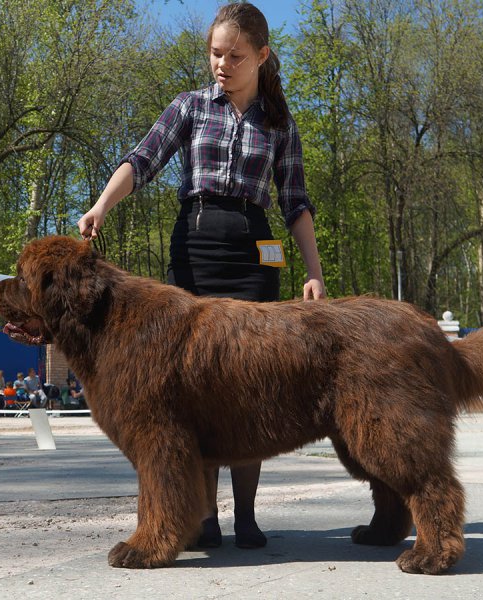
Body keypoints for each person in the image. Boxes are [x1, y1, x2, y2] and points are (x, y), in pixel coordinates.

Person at [78, 2, 326, 550]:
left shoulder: (279, 123)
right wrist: (100, 207)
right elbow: (142, 160)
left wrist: (314, 273)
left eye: (234, 56)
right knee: (195, 386)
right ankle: (204, 517)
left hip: (254, 253)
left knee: (248, 382)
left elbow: (296, 202)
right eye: (215, 54)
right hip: (194, 247)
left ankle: (247, 517)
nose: (222, 65)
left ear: (261, 56)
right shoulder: (188, 107)